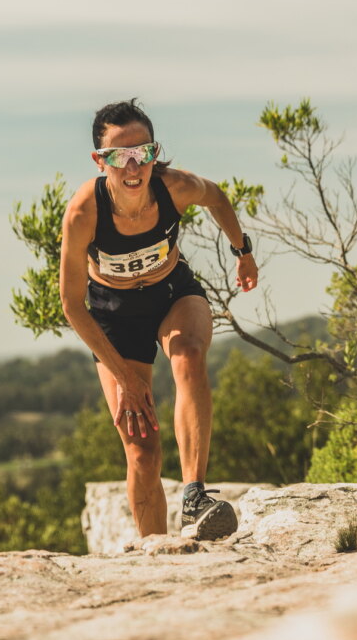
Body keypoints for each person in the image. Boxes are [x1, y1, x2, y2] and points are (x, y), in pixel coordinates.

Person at [59, 99, 259, 541]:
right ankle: (155, 550)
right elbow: (72, 305)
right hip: (114, 318)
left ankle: (195, 497)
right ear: (100, 161)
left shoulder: (176, 187)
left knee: (188, 354)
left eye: (143, 153)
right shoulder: (83, 213)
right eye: (120, 156)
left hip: (172, 294)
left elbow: (218, 198)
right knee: (142, 451)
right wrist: (125, 379)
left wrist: (242, 252)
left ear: (154, 152)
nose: (134, 166)